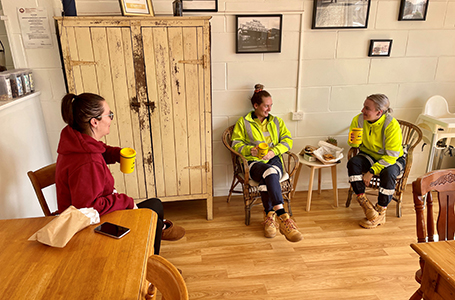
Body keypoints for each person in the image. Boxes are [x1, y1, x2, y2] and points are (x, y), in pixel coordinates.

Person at [55, 93, 185, 254]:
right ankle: (150, 268)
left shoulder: (76, 139)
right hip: (88, 225)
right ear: (94, 122)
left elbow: (98, 150)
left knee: (155, 205)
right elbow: (88, 208)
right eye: (109, 115)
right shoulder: (87, 162)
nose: (111, 119)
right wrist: (124, 201)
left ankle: (159, 233)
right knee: (153, 221)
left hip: (88, 213)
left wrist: (117, 154)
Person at [231, 84, 303, 242]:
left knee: (269, 173)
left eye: (271, 105)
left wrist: (273, 152)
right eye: (266, 106)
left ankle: (270, 216)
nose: (269, 109)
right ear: (256, 105)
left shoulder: (277, 122)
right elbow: (235, 143)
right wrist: (250, 151)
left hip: (274, 159)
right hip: (253, 162)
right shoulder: (243, 122)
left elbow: (287, 141)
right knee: (269, 172)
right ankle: (283, 216)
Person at [347, 94, 405, 229]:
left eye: (367, 108)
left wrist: (371, 172)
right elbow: (355, 145)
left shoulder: (391, 125)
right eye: (363, 106)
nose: (362, 111)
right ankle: (365, 203)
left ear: (379, 112)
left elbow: (391, 156)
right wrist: (353, 140)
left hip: (392, 158)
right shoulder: (359, 119)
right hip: (369, 154)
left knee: (389, 172)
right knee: (353, 163)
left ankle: (380, 212)